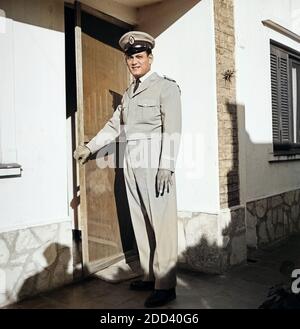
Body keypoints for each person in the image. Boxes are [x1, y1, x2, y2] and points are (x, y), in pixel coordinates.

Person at [74, 31, 182, 308]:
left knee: (162, 225)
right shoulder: (128, 93)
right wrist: (90, 147)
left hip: (155, 162)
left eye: (139, 56)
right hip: (131, 163)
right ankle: (149, 275)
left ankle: (166, 284)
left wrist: (166, 167)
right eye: (130, 57)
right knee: (141, 222)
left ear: (149, 58)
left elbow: (173, 129)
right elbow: (114, 126)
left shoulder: (165, 87)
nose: (134, 62)